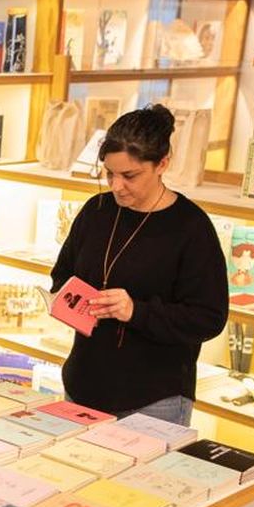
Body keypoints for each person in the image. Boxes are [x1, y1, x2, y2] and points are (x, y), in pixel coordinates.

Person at [46, 104, 227, 425]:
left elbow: (209, 318)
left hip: (155, 399)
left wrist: (136, 311)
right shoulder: (96, 210)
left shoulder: (190, 228)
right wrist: (69, 300)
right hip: (83, 385)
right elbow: (62, 274)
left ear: (162, 164)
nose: (116, 186)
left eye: (129, 175)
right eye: (109, 174)